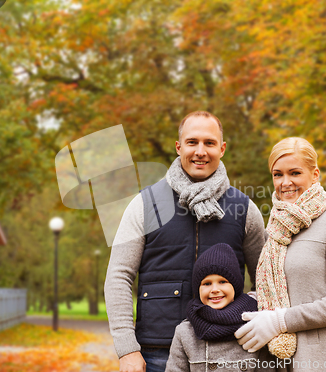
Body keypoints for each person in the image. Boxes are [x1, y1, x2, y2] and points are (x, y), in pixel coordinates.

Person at [105, 111, 266, 372]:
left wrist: (254, 322)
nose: (200, 151)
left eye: (209, 143)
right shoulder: (144, 205)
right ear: (179, 147)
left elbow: (267, 280)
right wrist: (127, 349)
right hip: (157, 352)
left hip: (228, 351)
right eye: (192, 142)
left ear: (222, 149)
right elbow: (118, 276)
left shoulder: (245, 208)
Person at [234, 137, 326, 372]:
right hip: (276, 363)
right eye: (277, 174)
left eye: (295, 173)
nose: (285, 182)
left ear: (315, 175)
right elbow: (270, 291)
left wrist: (280, 321)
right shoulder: (273, 231)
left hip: (322, 362)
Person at [165, 243, 276, 372]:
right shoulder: (185, 332)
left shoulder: (255, 326)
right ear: (198, 290)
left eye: (223, 282)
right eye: (207, 283)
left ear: (235, 286)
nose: (215, 289)